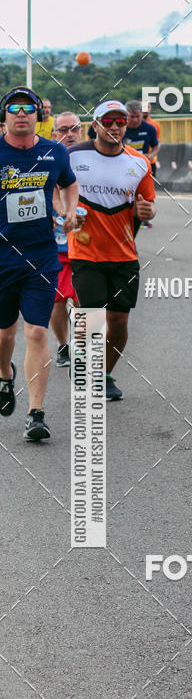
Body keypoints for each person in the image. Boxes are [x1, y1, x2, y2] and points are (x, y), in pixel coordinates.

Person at [0, 87, 78, 440]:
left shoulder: (55, 152)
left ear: (38, 115)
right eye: (13, 108)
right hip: (1, 256)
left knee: (35, 331)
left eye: (28, 108)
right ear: (4, 115)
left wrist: (71, 210)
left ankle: (36, 413)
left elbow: (69, 185)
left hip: (40, 255)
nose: (21, 114)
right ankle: (4, 375)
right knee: (4, 335)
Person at [68, 100, 156, 401]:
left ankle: (104, 374)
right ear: (96, 125)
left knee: (118, 321)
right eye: (108, 121)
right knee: (91, 314)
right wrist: (64, 212)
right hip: (85, 251)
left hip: (124, 254)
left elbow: (148, 204)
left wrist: (147, 211)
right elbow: (56, 190)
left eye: (120, 121)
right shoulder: (73, 156)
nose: (115, 126)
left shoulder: (139, 162)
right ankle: (82, 357)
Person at [50, 111, 82, 366]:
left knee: (85, 300)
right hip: (55, 245)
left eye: (74, 128)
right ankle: (63, 345)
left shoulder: (94, 156)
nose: (69, 134)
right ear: (54, 135)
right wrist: (60, 213)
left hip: (87, 245)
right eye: (63, 130)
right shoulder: (45, 158)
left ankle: (83, 350)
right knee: (57, 301)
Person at [124, 101, 159, 230]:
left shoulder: (149, 128)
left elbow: (156, 146)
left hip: (142, 168)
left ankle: (142, 218)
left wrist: (151, 155)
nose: (135, 120)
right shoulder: (119, 128)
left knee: (143, 196)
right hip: (123, 169)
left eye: (138, 116)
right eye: (131, 117)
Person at [141, 100, 160, 178]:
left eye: (147, 107)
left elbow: (157, 144)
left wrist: (151, 155)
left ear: (150, 109)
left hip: (150, 161)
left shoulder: (155, 125)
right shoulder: (133, 123)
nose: (145, 109)